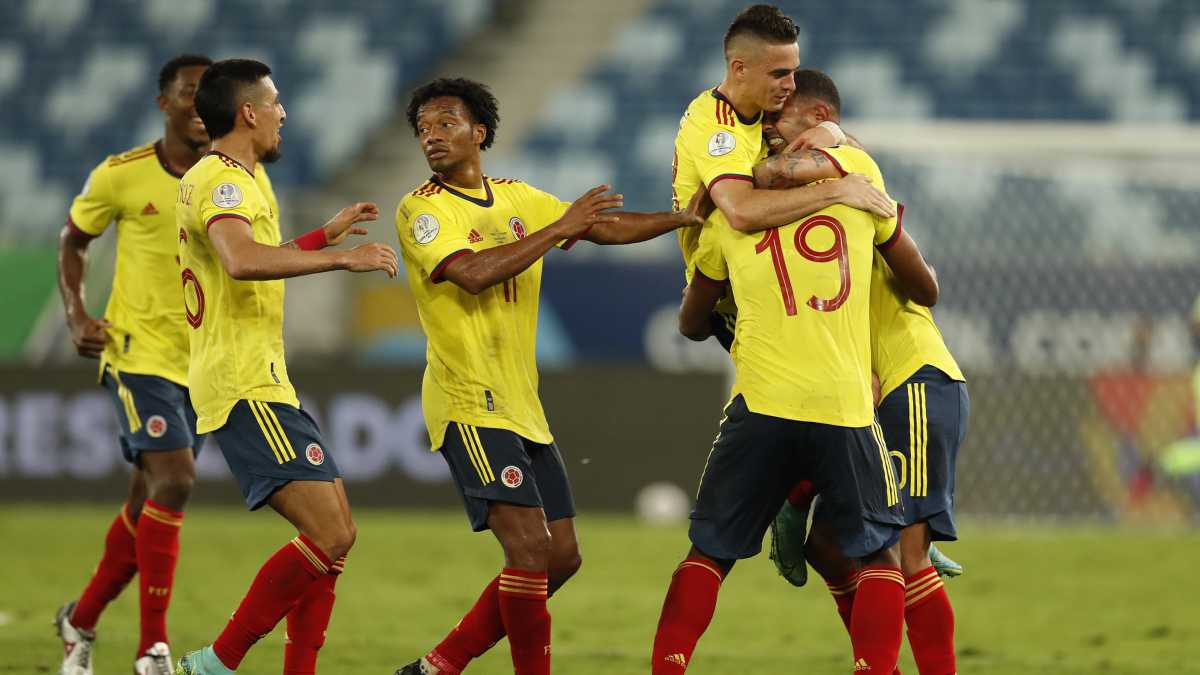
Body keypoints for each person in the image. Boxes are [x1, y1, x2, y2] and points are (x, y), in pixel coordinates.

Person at [392, 77, 704, 675]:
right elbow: (473, 272)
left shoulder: (515, 197)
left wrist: (684, 219)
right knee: (530, 551)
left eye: (446, 123)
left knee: (561, 556)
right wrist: (561, 227)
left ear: (478, 133)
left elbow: (602, 227)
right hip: (467, 400)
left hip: (519, 404)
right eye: (424, 129)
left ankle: (438, 665)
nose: (432, 136)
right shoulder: (422, 210)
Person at [652, 63, 944, 674]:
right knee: (879, 559)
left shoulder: (730, 217)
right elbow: (924, 286)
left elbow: (689, 322)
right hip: (844, 403)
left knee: (708, 554)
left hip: (760, 403)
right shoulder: (861, 181)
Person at [171, 58, 398, 675]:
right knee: (330, 535)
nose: (282, 113)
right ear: (248, 112)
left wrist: (323, 237)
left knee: (337, 536)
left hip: (263, 378)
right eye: (274, 102)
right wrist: (341, 263)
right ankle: (214, 664)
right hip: (242, 383)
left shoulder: (239, 178)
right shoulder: (223, 182)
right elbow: (242, 261)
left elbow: (252, 255)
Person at [757, 70, 969, 675]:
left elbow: (926, 288)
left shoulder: (848, 167)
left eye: (784, 121)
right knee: (830, 546)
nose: (771, 132)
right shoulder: (809, 205)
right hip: (861, 397)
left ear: (820, 115)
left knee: (903, 557)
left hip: (913, 384)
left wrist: (830, 136)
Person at [54, 53, 214, 675]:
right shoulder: (121, 175)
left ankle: (82, 619)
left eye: (210, 95)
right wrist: (75, 315)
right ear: (164, 103)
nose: (201, 106)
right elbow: (73, 239)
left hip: (201, 361)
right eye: (190, 93)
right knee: (176, 478)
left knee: (146, 500)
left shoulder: (234, 178)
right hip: (136, 352)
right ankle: (153, 648)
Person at [670, 4, 895, 349]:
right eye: (779, 74)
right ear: (739, 69)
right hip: (730, 288)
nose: (791, 85)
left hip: (772, 270)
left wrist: (833, 132)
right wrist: (836, 191)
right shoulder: (715, 127)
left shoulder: (766, 110)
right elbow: (741, 211)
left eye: (793, 72)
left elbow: (859, 158)